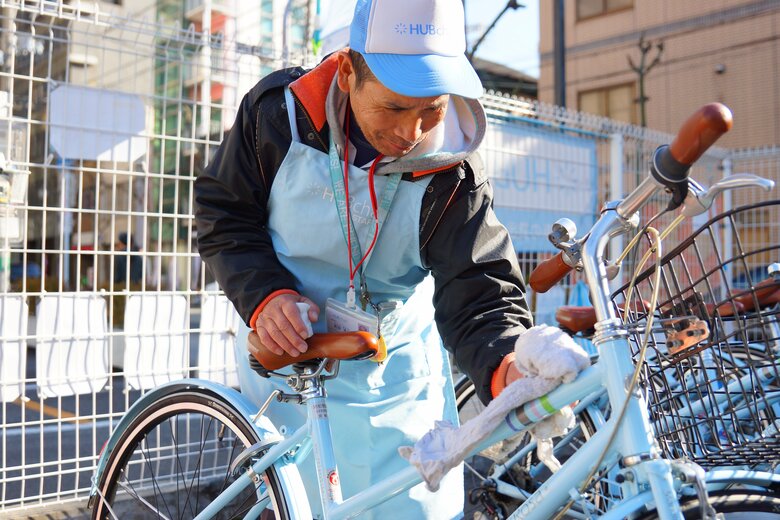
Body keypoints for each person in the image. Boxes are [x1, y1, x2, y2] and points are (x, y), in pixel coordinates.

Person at [194, 0, 532, 517]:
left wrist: (506, 362)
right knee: (299, 503)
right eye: (395, 107)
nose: (411, 133)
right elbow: (226, 214)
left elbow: (479, 287)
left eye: (432, 108)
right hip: (290, 352)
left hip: (397, 368)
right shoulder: (278, 117)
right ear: (348, 71)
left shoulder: (453, 167)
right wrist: (265, 296)